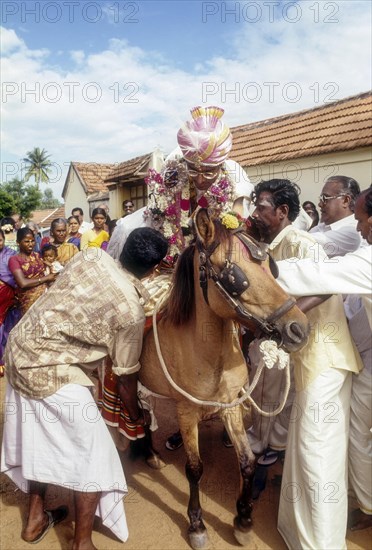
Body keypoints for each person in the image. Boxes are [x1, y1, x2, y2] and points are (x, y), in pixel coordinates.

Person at [1, 227, 169, 549]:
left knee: (37, 435)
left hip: (18, 349)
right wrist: (137, 420)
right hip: (50, 369)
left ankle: (36, 519)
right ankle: (82, 542)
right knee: (95, 454)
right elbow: (125, 378)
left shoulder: (92, 255)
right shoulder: (131, 312)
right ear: (155, 269)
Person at [276, 187, 372, 534]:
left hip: (348, 357)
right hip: (360, 355)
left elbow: (319, 275)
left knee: (348, 439)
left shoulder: (367, 260)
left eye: (361, 220)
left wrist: (254, 268)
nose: (358, 229)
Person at [8, 228, 57, 315]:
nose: (31, 244)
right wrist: (45, 279)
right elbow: (23, 283)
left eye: (32, 241)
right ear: (18, 242)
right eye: (27, 241)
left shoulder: (38, 255)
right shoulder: (14, 260)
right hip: (29, 301)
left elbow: (46, 271)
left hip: (46, 295)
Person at [310, 175, 362, 256]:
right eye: (320, 198)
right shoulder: (320, 227)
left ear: (345, 200)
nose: (320, 204)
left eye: (325, 198)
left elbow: (302, 243)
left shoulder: (354, 231)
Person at [0, 229, 21, 377]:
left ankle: (7, 362)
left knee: (8, 330)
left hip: (9, 299)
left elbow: (16, 277)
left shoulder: (11, 255)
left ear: (3, 239)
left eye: (0, 240)